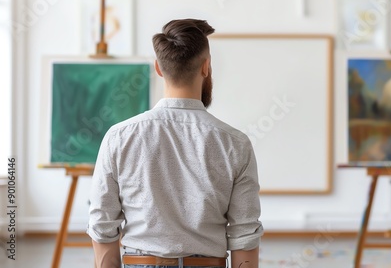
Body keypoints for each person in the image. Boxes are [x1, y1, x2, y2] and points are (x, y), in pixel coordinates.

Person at [87, 19, 263, 268]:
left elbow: (102, 224)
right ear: (206, 67)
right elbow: (244, 234)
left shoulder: (119, 136)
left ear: (158, 68)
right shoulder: (235, 143)